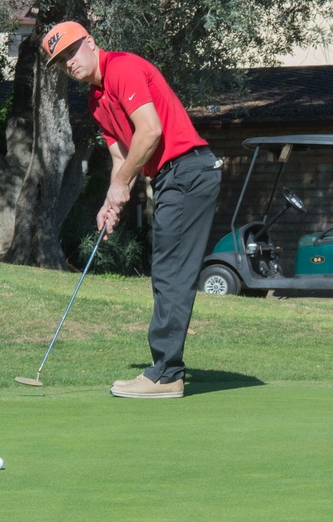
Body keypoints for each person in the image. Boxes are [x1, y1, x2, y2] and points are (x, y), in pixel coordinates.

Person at [42, 21, 221, 399]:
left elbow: (150, 131)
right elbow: (121, 155)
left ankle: (166, 375)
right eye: (60, 61)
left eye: (72, 52)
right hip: (173, 177)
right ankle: (165, 370)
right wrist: (111, 199)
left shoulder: (122, 68)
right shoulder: (95, 99)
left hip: (188, 170)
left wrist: (123, 183)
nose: (69, 64)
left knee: (170, 273)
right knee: (166, 272)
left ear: (90, 43)